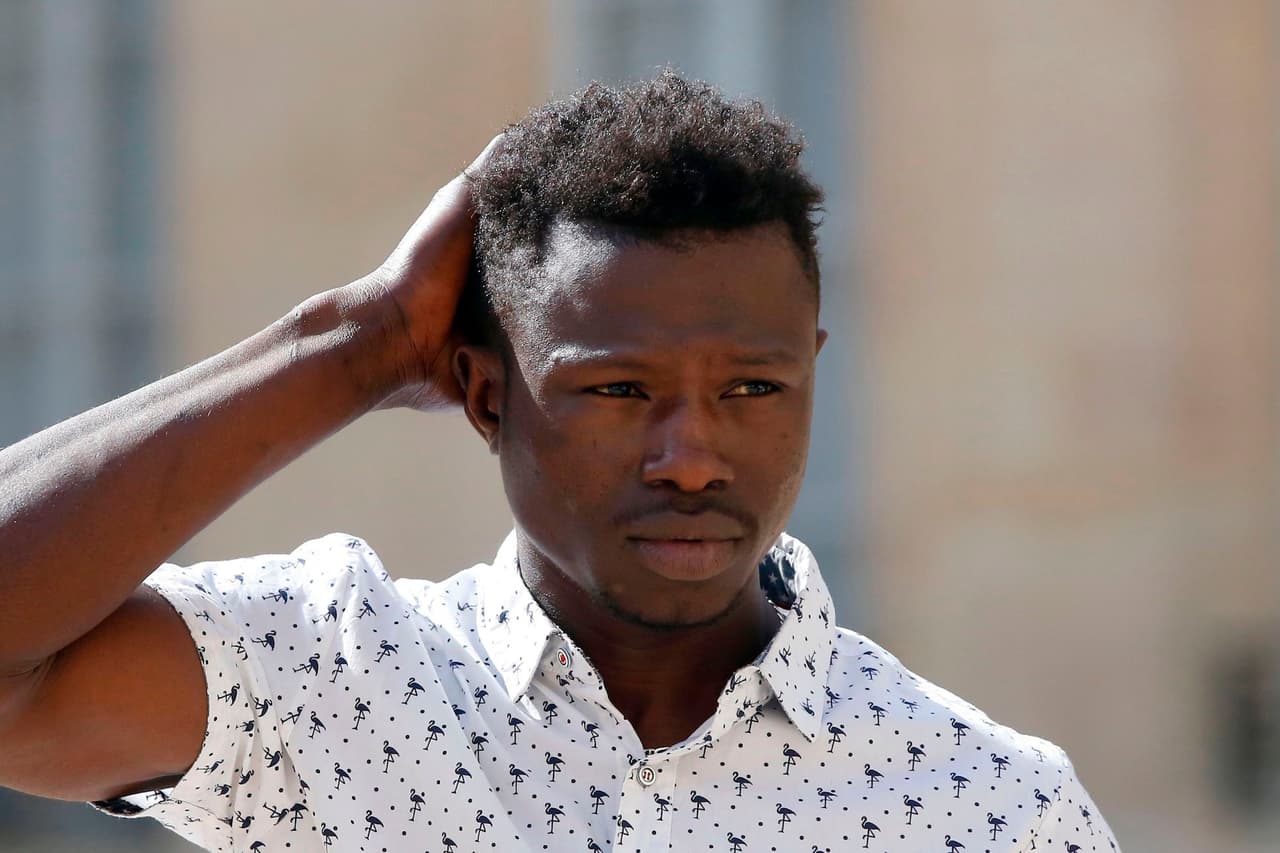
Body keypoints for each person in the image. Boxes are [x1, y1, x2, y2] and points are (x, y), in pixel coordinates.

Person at [0, 72, 1119, 852]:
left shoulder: (987, 810)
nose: (691, 458)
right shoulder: (335, 683)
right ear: (486, 396)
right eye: (618, 391)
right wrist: (354, 345)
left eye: (751, 389)